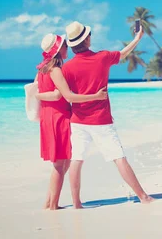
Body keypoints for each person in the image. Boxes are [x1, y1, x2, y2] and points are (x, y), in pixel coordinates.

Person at [61, 21, 154, 208]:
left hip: (78, 121)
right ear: (86, 40)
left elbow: (65, 94)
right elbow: (124, 53)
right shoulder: (102, 57)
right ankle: (143, 196)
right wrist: (137, 38)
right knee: (119, 157)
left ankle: (76, 203)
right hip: (101, 120)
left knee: (76, 160)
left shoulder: (67, 68)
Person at [34, 33, 108, 210]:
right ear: (59, 50)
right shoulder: (56, 70)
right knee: (60, 164)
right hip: (58, 117)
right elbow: (66, 95)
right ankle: (53, 206)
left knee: (63, 162)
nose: (68, 48)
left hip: (48, 116)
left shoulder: (42, 68)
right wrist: (96, 96)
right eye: (65, 46)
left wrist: (40, 95)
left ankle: (49, 203)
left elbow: (36, 89)